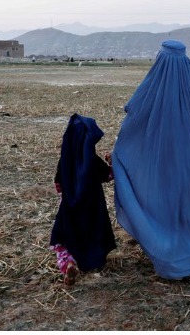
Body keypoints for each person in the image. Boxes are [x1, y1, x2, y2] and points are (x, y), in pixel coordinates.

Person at [111, 40, 190, 280]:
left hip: (160, 159)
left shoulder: (153, 84)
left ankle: (169, 256)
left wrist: (124, 151)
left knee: (162, 200)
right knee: (188, 201)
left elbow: (133, 111)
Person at [49, 113, 116, 285]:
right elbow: (109, 175)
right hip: (94, 208)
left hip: (70, 208)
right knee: (94, 234)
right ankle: (95, 260)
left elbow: (58, 185)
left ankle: (68, 263)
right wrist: (112, 163)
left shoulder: (64, 160)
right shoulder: (92, 161)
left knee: (63, 239)